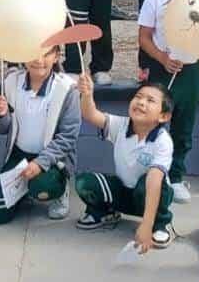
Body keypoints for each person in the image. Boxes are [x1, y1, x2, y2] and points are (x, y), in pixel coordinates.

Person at [136, 0, 199, 204]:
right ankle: (154, 173)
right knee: (155, 122)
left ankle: (175, 177)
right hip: (161, 69)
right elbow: (144, 37)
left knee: (183, 126)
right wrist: (162, 58)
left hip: (189, 70)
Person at [73, 75, 176, 252]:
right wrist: (88, 94)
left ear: (163, 116)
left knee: (148, 182)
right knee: (85, 181)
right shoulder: (121, 125)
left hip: (149, 195)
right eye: (138, 96)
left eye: (150, 100)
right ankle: (106, 213)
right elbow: (90, 114)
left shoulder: (162, 141)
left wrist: (146, 224)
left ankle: (159, 223)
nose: (141, 102)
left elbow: (154, 180)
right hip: (124, 191)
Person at [0, 45, 80, 223]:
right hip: (19, 156)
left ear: (56, 56)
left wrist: (40, 163)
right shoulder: (12, 82)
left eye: (46, 54)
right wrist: (1, 115)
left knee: (42, 186)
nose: (39, 60)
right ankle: (22, 192)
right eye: (33, 53)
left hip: (51, 159)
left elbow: (68, 137)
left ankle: (59, 188)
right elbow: (2, 128)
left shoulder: (67, 89)